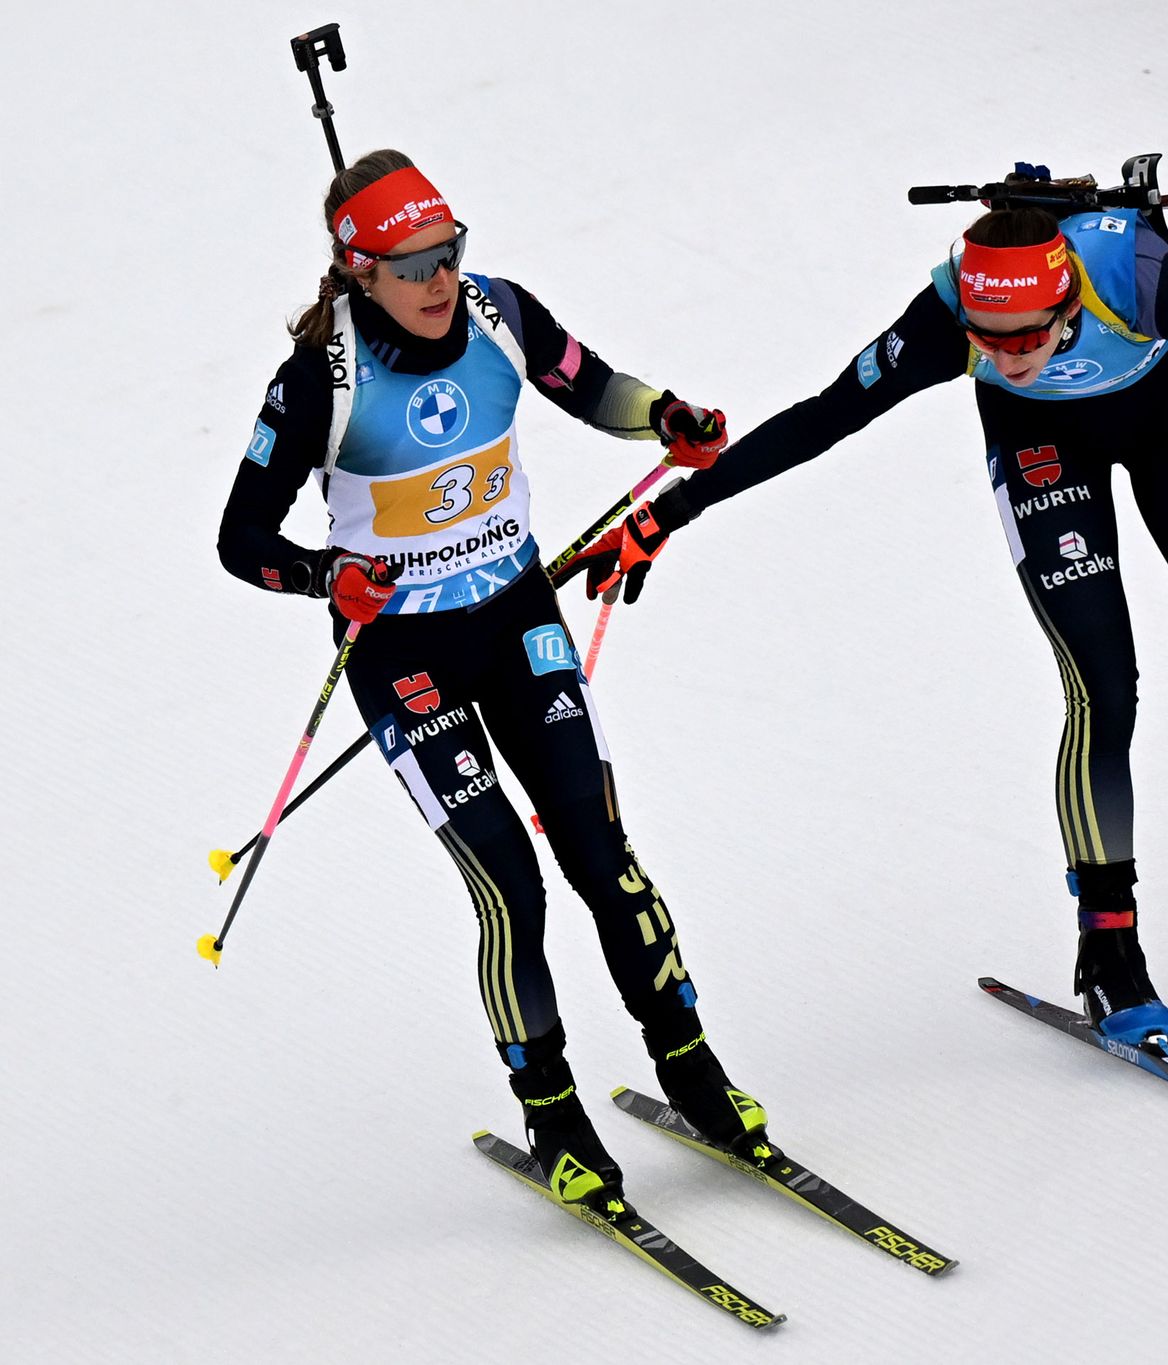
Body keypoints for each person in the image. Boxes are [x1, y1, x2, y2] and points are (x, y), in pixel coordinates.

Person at [569, 167, 1168, 1045]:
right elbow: (821, 416)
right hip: (1042, 444)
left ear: (1069, 302)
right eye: (988, 339)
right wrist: (670, 512)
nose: (1006, 353)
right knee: (1104, 690)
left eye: (1028, 337)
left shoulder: (1143, 280)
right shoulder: (949, 317)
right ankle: (1109, 947)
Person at [217, 150, 768, 1213]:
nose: (436, 281)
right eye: (410, 265)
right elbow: (242, 539)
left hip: (519, 624)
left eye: (447, 253)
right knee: (508, 884)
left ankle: (689, 1065)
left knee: (602, 855)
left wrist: (666, 418)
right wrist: (327, 575)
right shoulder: (319, 382)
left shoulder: (500, 315)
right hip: (403, 658)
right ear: (357, 270)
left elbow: (592, 385)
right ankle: (553, 1115)